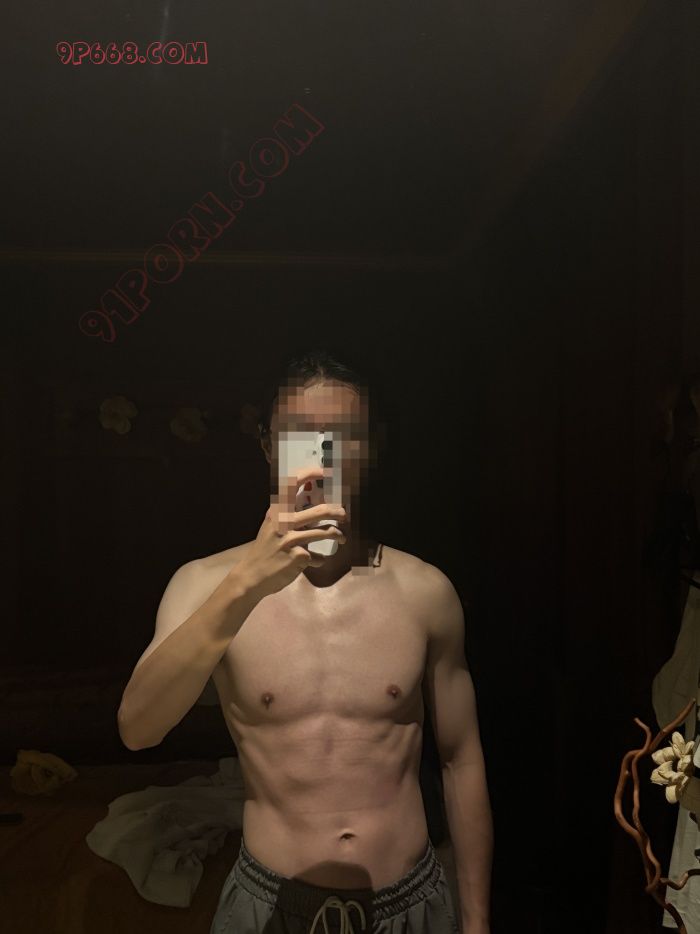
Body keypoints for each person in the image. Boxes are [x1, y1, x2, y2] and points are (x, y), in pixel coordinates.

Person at [117, 348, 493, 933]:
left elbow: (460, 758)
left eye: (343, 437)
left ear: (372, 449)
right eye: (301, 437)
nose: (321, 457)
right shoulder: (204, 584)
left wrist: (476, 921)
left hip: (410, 902)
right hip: (268, 904)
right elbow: (138, 729)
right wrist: (245, 586)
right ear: (269, 447)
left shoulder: (425, 592)